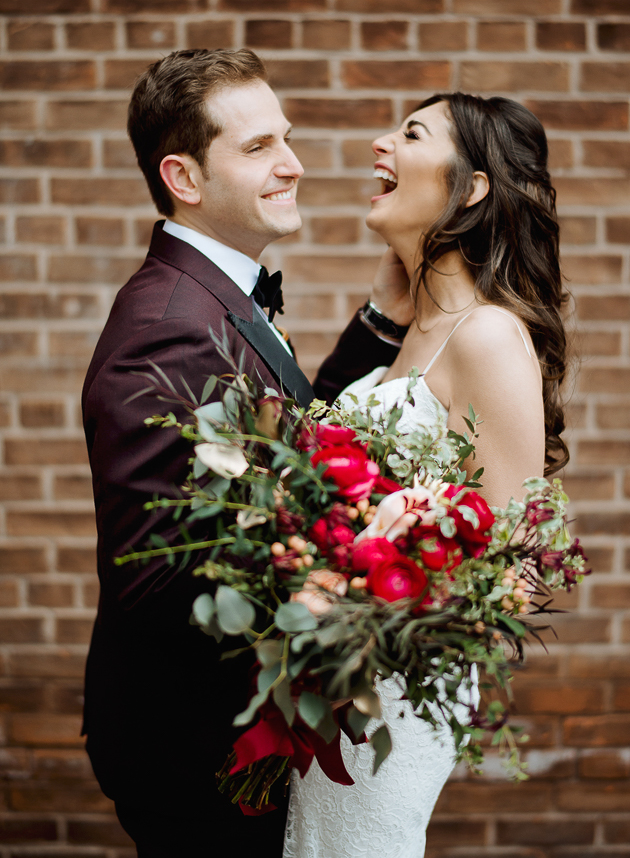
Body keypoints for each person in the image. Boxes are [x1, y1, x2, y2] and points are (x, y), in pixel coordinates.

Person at [80, 48, 408, 858]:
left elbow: (287, 435)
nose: (292, 165)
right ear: (184, 178)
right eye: (258, 147)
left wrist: (378, 323)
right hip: (197, 751)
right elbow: (153, 574)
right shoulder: (165, 323)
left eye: (285, 140)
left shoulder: (215, 296)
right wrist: (338, 578)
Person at [285, 92, 569, 858]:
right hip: (338, 683)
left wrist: (372, 587)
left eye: (410, 133)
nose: (382, 143)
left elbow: (523, 566)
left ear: (471, 187)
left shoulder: (487, 335)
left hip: (396, 694)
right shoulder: (415, 332)